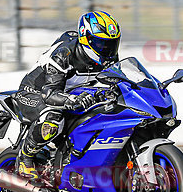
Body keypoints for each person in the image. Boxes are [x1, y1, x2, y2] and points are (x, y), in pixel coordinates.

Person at [13, 11, 121, 180]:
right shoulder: (64, 54)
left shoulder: (110, 58)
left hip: (69, 93)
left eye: (111, 44)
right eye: (101, 44)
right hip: (35, 92)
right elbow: (49, 94)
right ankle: (25, 157)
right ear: (86, 38)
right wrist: (73, 100)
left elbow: (118, 82)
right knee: (53, 117)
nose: (107, 49)